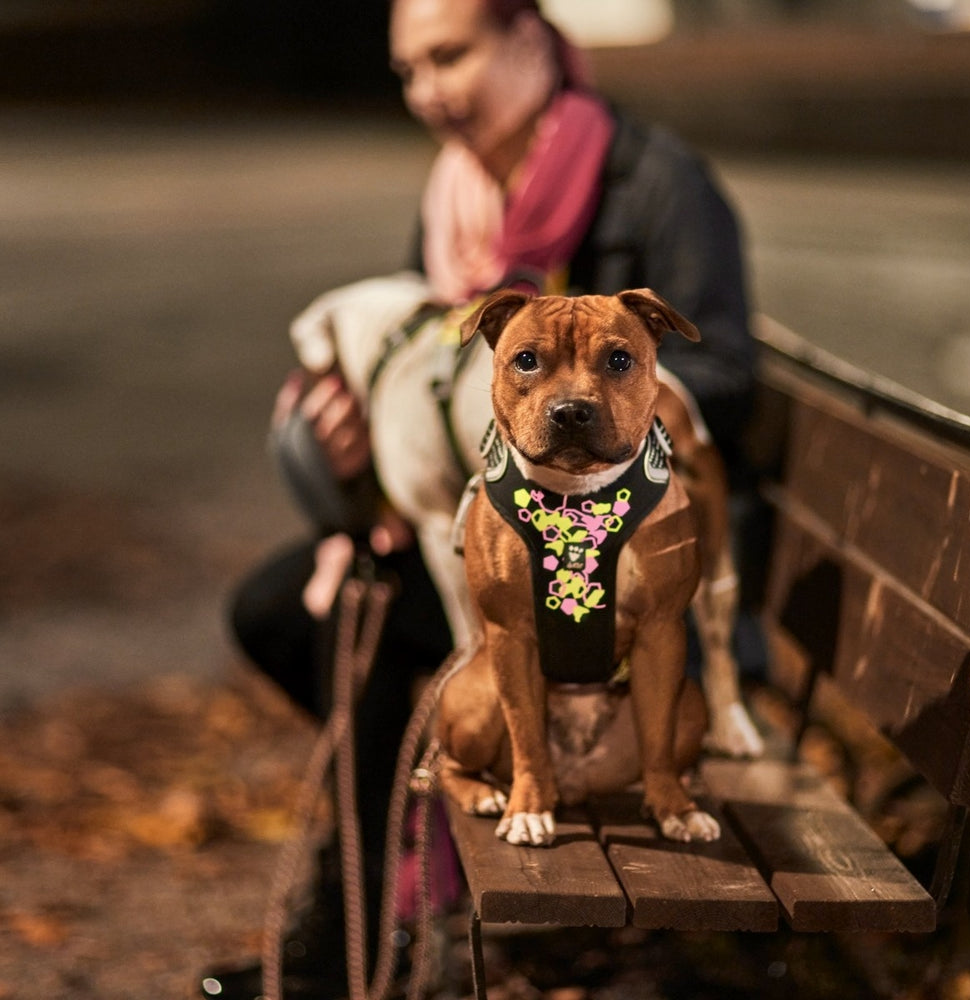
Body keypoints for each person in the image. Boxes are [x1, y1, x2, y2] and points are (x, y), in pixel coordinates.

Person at [200, 1, 756, 997]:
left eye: (450, 57)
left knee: (368, 650)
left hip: (624, 549)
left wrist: (595, 396)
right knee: (280, 610)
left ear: (532, 42)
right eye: (409, 69)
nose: (428, 93)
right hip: (490, 518)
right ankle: (398, 886)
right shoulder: (454, 193)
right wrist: (355, 424)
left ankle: (362, 937)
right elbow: (425, 356)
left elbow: (725, 376)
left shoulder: (657, 183)